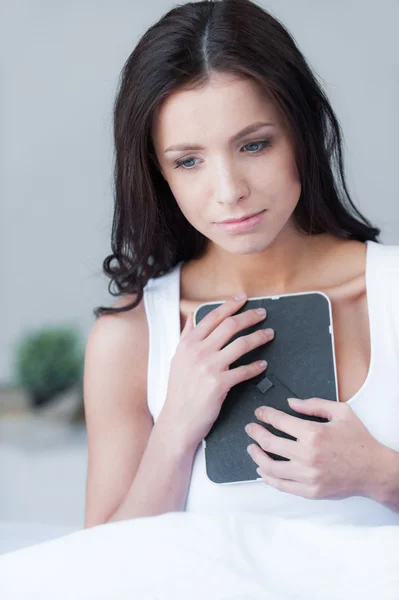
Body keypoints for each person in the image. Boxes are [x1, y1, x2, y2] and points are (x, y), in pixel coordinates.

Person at [83, 0, 399, 529]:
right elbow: (104, 568)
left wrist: (380, 475)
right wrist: (175, 431)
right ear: (157, 173)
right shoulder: (130, 337)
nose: (230, 191)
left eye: (254, 145)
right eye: (188, 160)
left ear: (302, 133)